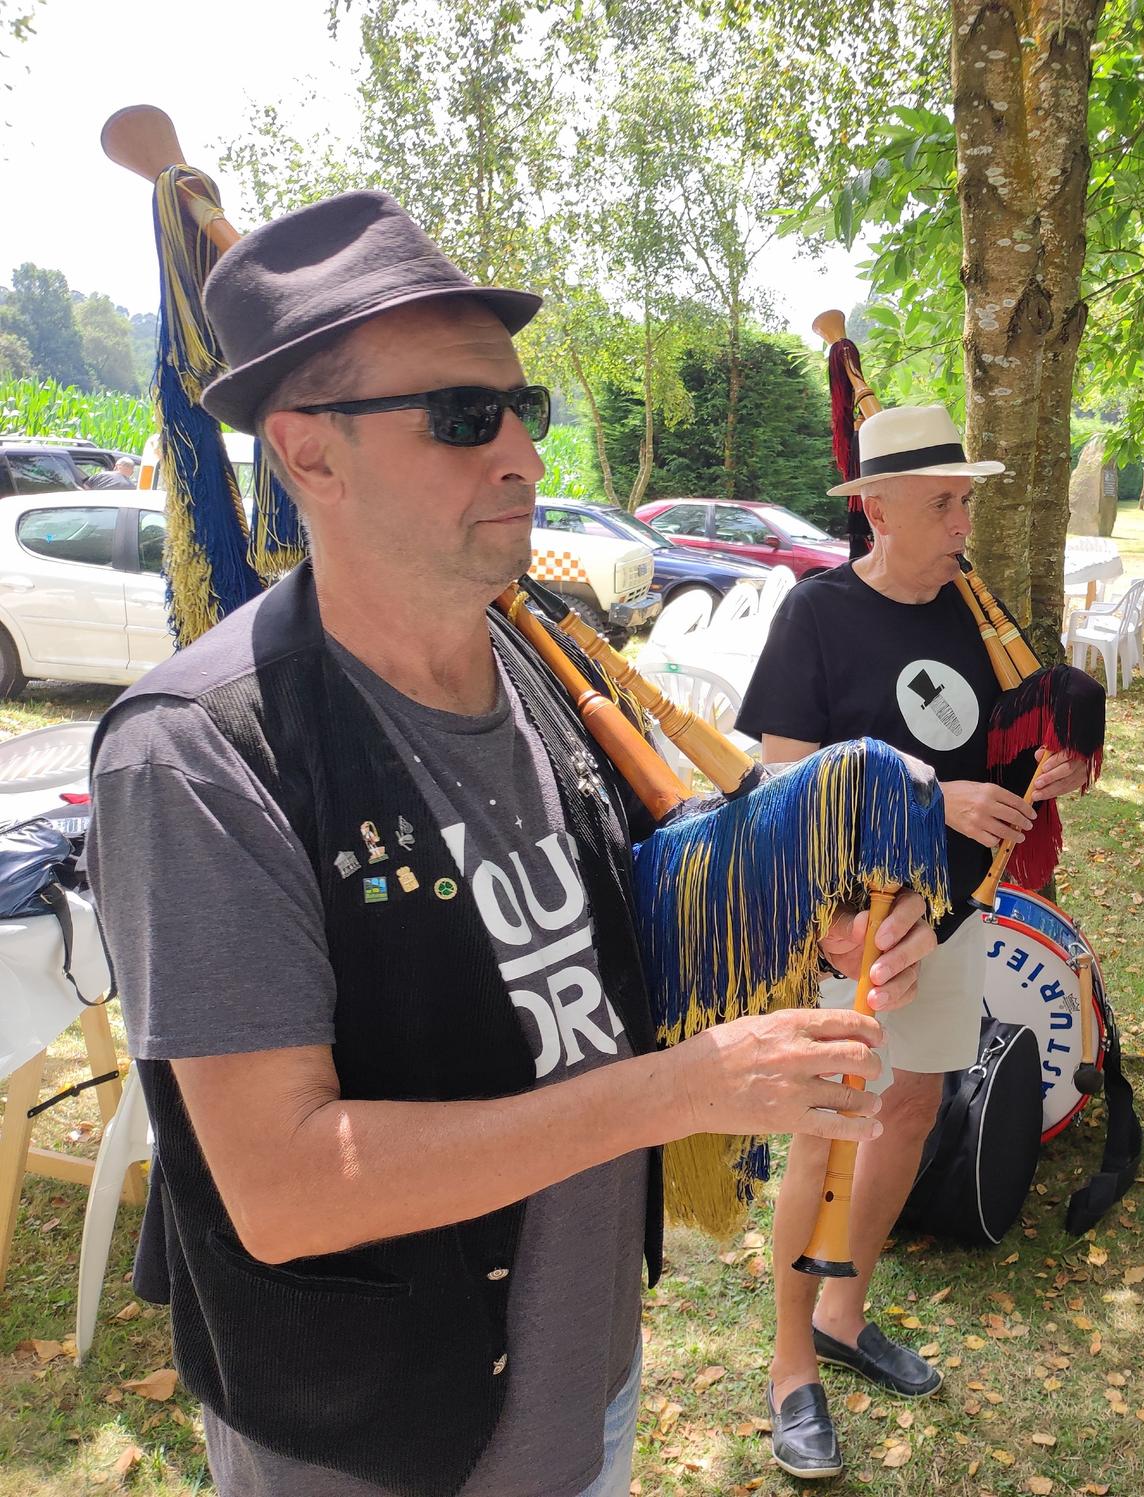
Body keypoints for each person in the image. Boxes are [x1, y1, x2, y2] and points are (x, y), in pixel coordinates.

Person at [86, 192, 938, 1497]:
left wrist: (794, 915)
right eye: (462, 417)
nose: (525, 458)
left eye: (520, 411)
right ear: (309, 456)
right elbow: (286, 1187)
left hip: (579, 1376)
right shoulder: (197, 753)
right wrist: (688, 1089)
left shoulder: (525, 653)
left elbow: (605, 924)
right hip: (377, 1441)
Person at [736, 403, 1093, 1481]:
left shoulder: (969, 620)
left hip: (946, 918)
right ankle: (790, 1366)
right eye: (942, 502)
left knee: (913, 1104)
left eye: (965, 499)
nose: (960, 521)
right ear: (875, 509)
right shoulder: (818, 616)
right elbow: (778, 783)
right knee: (828, 1126)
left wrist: (1047, 769)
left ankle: (844, 1314)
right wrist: (930, 797)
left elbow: (1002, 748)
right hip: (843, 923)